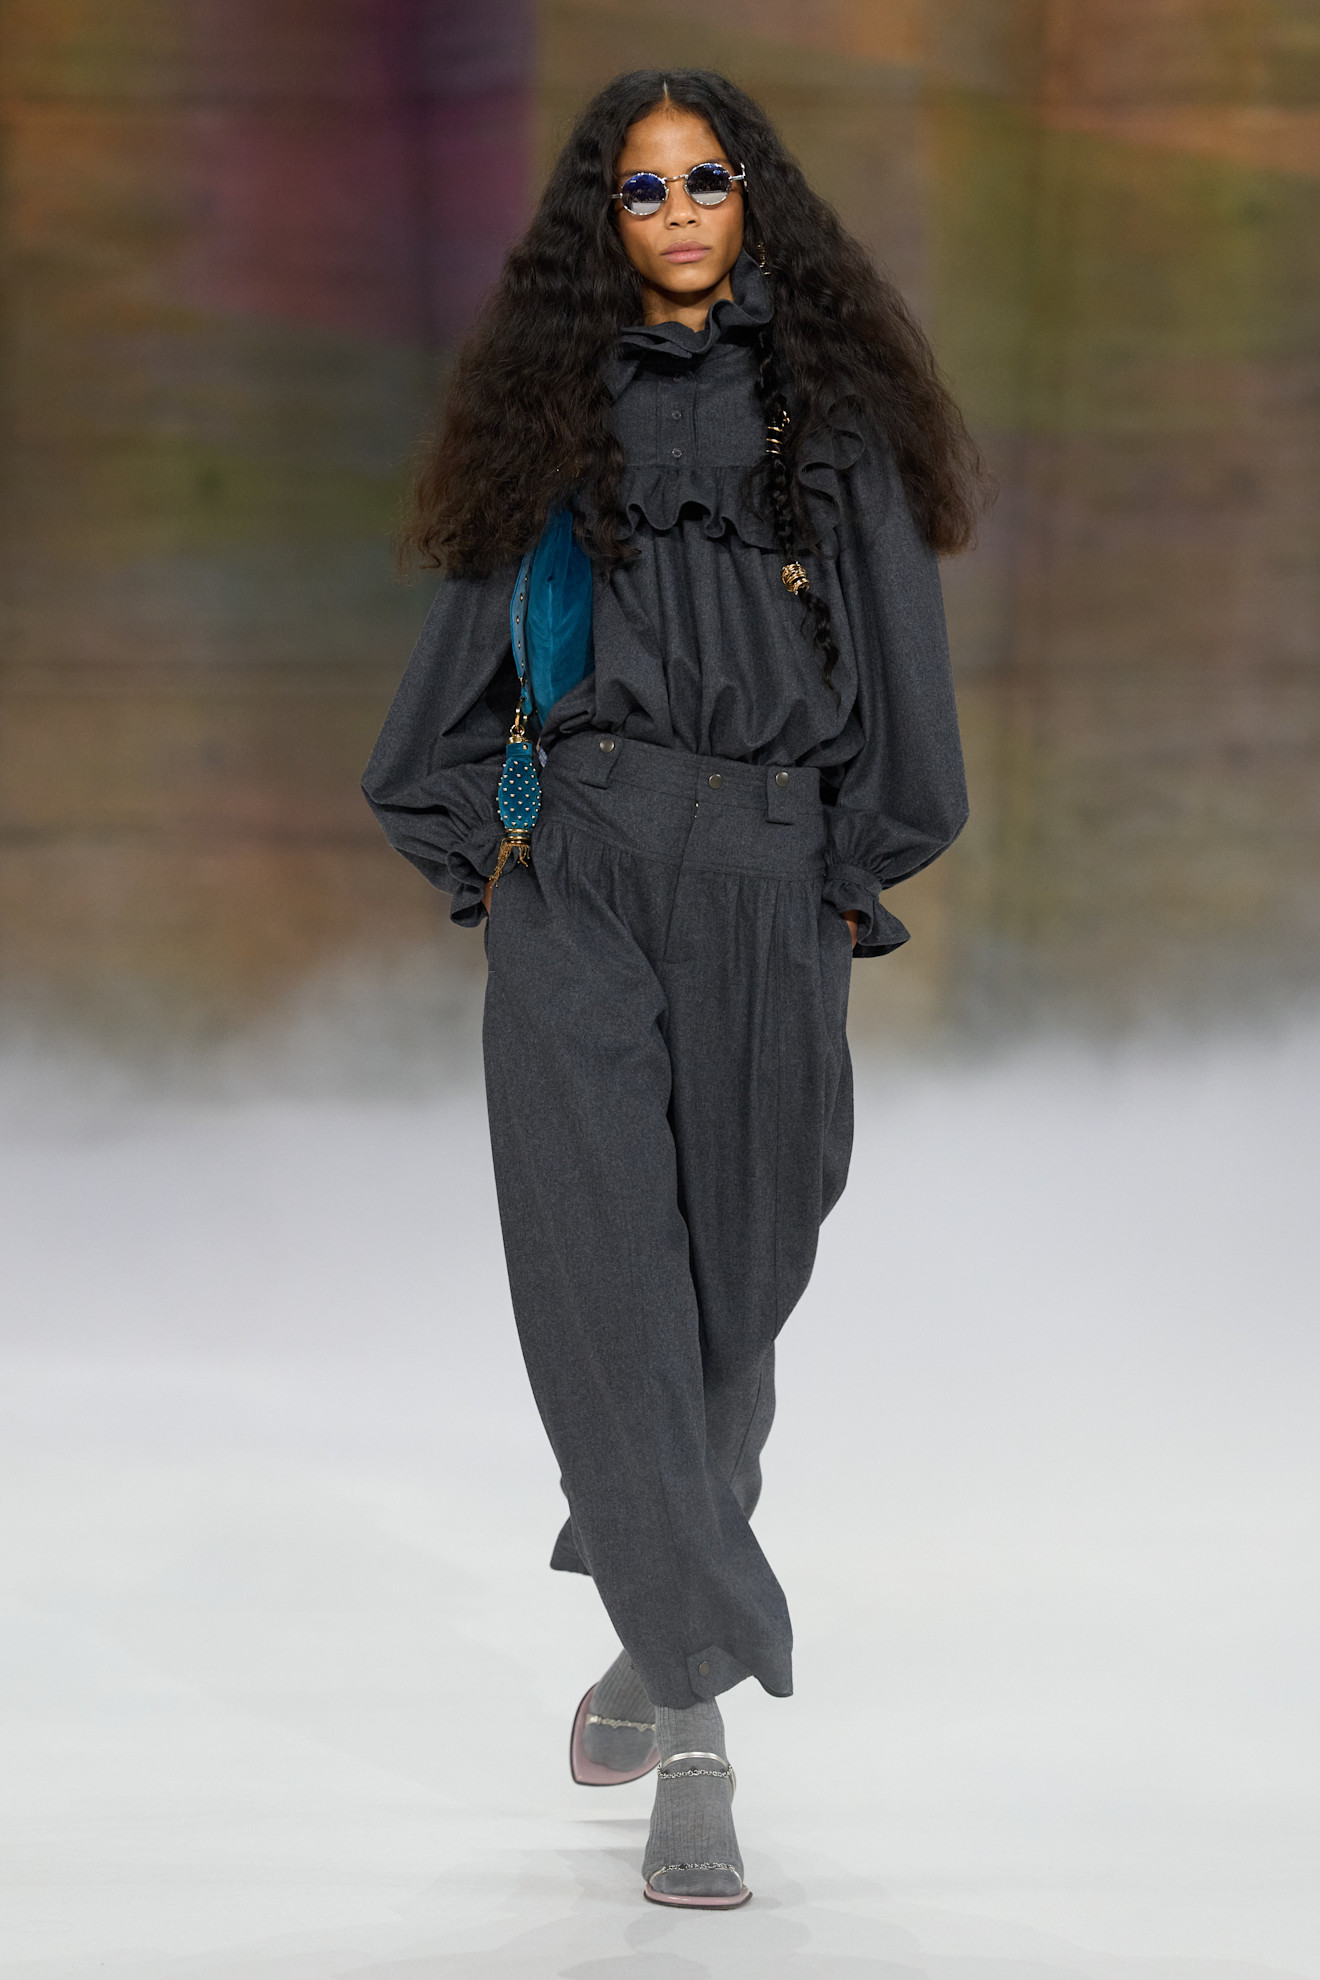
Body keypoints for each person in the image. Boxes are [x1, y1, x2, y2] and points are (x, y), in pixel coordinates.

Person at [364, 68, 984, 1909]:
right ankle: (701, 1734)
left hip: (770, 891)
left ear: (752, 199)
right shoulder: (549, 431)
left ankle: (649, 1630)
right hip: (591, 888)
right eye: (645, 190)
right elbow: (435, 725)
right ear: (605, 227)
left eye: (709, 178)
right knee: (607, 1293)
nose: (684, 209)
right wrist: (511, 861)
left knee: (733, 1305)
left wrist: (834, 884)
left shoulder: (842, 429)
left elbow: (913, 724)